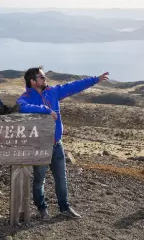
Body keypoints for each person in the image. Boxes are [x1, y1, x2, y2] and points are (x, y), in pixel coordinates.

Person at [16, 66, 109, 220]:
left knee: (61, 178)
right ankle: (42, 209)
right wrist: (46, 110)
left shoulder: (53, 92)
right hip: (40, 146)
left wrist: (96, 80)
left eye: (44, 76)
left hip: (56, 144)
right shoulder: (26, 97)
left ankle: (64, 208)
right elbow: (22, 107)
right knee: (40, 180)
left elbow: (74, 86)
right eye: (42, 77)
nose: (45, 79)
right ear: (32, 81)